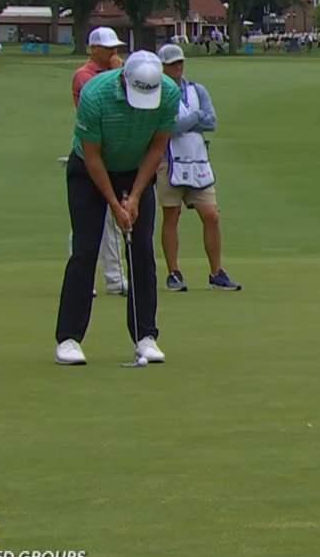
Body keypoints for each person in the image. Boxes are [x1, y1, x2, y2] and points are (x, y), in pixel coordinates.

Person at [54, 50, 179, 366]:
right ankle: (68, 339)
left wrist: (135, 196)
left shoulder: (168, 93)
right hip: (90, 171)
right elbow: (92, 157)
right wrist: (115, 204)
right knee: (85, 250)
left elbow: (157, 147)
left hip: (137, 169)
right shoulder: (95, 94)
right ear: (124, 80)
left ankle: (145, 336)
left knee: (142, 251)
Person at [154, 44, 242, 293]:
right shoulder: (157, 92)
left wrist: (186, 121)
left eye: (180, 62)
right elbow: (168, 127)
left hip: (198, 160)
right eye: (172, 64)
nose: (178, 68)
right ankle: (173, 272)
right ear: (162, 67)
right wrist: (195, 118)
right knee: (172, 216)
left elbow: (211, 121)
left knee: (211, 215)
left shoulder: (197, 90)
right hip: (168, 161)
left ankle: (216, 272)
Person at [71, 27, 128, 296]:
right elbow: (105, 101)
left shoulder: (116, 73)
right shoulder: (84, 76)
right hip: (91, 154)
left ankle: (115, 278)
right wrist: (118, 72)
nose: (114, 52)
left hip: (112, 156)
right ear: (93, 49)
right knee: (86, 222)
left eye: (115, 47)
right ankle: (84, 279)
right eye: (108, 48)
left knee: (111, 220)